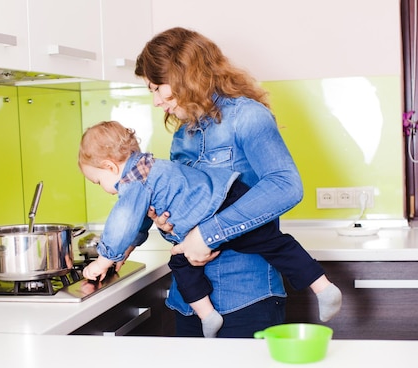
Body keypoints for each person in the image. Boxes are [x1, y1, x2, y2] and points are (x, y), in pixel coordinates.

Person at [133, 27, 342, 338]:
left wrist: (207, 235)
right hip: (188, 303)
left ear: (182, 75)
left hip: (246, 301)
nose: (155, 101)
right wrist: (169, 224)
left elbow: (286, 185)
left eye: (156, 88)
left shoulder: (248, 117)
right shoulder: (183, 134)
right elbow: (191, 206)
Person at [79, 120, 340, 337]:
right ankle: (321, 287)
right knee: (272, 244)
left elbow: (122, 219)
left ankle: (208, 313)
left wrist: (104, 260)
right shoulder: (150, 168)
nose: (102, 186)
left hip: (223, 209)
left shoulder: (133, 183)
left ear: (110, 167)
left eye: (98, 181)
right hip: (226, 199)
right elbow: (143, 216)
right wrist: (128, 248)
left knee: (191, 261)